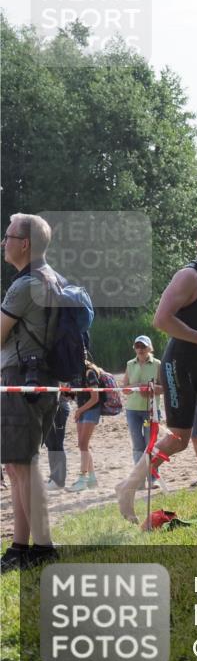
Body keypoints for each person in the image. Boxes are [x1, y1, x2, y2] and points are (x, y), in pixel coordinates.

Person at [116, 220, 197, 523]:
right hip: (179, 364)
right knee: (180, 440)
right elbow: (161, 320)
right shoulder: (189, 276)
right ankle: (127, 487)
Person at [0, 213, 59, 572]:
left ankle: (44, 548)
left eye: (7, 236)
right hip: (40, 380)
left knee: (24, 465)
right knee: (17, 465)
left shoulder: (24, 286)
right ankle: (20, 548)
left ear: (24, 244)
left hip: (22, 379)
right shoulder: (52, 278)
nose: (3, 242)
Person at [120, 335, 162, 478]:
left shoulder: (157, 364)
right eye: (137, 346)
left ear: (150, 348)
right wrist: (137, 386)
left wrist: (150, 389)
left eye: (143, 346)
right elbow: (124, 389)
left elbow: (164, 388)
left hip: (151, 410)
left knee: (150, 444)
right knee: (138, 445)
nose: (140, 349)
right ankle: (138, 478)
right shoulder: (130, 364)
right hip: (132, 410)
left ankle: (153, 477)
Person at [66, 357, 102, 492]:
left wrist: (80, 410)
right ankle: (92, 479)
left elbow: (95, 398)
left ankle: (82, 478)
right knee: (84, 445)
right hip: (81, 409)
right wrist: (66, 393)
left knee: (82, 444)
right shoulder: (75, 373)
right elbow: (74, 394)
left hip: (91, 409)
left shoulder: (89, 372)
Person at [43, 393, 72, 490]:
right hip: (48, 407)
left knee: (56, 444)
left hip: (58, 407)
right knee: (51, 445)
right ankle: (54, 478)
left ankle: (58, 481)